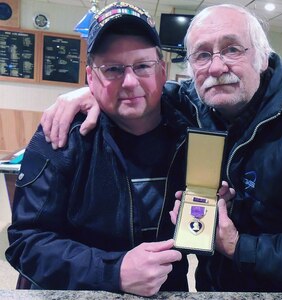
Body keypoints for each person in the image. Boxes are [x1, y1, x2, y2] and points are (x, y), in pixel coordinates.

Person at [40, 4, 282, 294]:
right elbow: (151, 91)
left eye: (232, 49)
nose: (216, 67)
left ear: (262, 57)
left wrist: (236, 245)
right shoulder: (198, 104)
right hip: (214, 289)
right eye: (202, 54)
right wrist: (96, 93)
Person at [5, 2, 236, 296]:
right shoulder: (62, 134)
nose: (129, 82)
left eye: (142, 66)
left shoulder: (197, 127)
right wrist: (113, 271)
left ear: (162, 71)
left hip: (166, 290)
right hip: (82, 291)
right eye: (112, 69)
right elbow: (26, 242)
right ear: (91, 77)